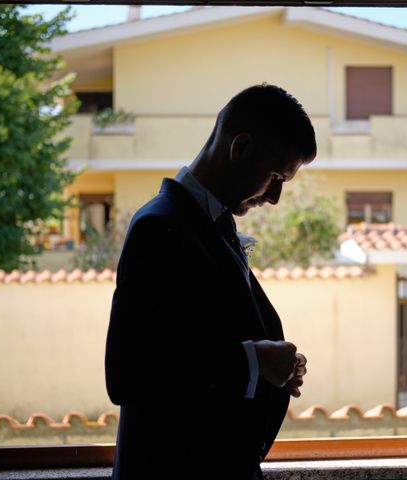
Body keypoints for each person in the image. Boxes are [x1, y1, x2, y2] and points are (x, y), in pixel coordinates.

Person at [105, 84, 314, 479]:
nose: (275, 198)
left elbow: (197, 340)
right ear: (240, 148)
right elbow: (128, 373)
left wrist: (271, 366)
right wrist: (254, 360)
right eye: (274, 177)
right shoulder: (159, 225)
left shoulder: (207, 224)